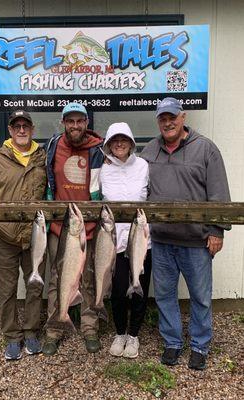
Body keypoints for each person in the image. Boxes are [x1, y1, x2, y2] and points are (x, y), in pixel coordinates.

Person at [141, 97, 231, 370]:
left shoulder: (205, 149)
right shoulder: (149, 151)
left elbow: (219, 194)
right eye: (162, 118)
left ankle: (200, 346)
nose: (167, 122)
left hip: (196, 241)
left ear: (183, 117)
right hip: (161, 240)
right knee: (166, 296)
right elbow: (139, 191)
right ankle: (172, 343)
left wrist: (216, 230)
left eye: (172, 117)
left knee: (201, 297)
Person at [0, 110, 47, 360]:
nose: (21, 130)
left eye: (25, 125)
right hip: (3, 238)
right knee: (6, 291)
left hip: (34, 237)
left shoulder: (42, 159)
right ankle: (11, 337)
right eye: (16, 126)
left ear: (32, 129)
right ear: (9, 130)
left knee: (35, 286)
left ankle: (30, 332)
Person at [42, 102, 104, 356]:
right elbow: (48, 183)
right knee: (57, 280)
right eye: (71, 121)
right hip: (60, 226)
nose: (75, 126)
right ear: (63, 122)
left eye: (80, 121)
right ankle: (54, 329)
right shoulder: (53, 146)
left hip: (87, 226)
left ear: (86, 124)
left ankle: (90, 328)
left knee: (88, 279)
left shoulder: (97, 150)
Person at [100, 122, 152, 358]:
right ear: (109, 144)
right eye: (114, 140)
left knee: (139, 289)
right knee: (119, 291)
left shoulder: (143, 166)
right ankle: (120, 332)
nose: (119, 143)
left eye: (124, 139)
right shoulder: (104, 169)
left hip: (141, 241)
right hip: (115, 242)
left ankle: (134, 336)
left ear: (131, 142)